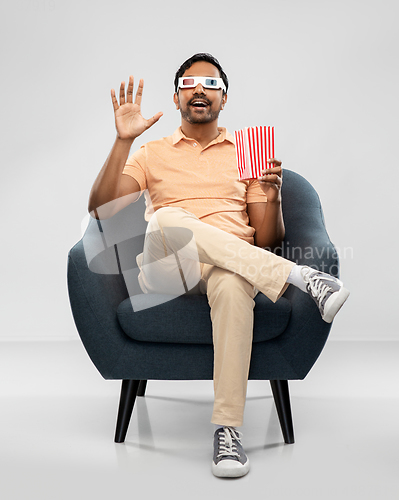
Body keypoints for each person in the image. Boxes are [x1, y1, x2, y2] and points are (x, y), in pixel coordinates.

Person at [88, 53, 350, 478]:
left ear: (224, 100)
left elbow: (267, 240)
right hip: (167, 268)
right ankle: (301, 278)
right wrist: (122, 142)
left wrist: (272, 194)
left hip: (230, 263)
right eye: (190, 84)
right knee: (170, 218)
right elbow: (101, 210)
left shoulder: (248, 150)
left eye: (211, 85)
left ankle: (227, 432)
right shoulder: (151, 153)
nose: (199, 90)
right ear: (176, 98)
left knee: (232, 281)